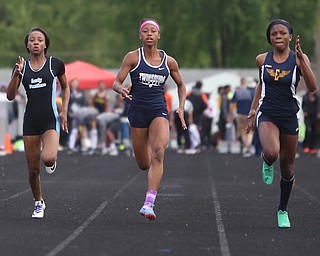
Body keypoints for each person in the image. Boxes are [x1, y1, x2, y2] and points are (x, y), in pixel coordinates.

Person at [112, 18, 187, 221]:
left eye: (153, 31)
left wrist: (180, 107)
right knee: (144, 164)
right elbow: (116, 82)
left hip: (158, 111)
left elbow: (181, 85)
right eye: (145, 31)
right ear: (140, 35)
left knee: (159, 153)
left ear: (159, 35)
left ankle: (149, 203)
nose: (149, 34)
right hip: (137, 112)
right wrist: (121, 90)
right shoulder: (132, 57)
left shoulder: (168, 61)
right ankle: (147, 167)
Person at [245, 19, 317, 228]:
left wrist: (302, 60)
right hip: (267, 113)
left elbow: (312, 87)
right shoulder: (262, 59)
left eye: (282, 33)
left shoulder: (298, 60)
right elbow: (262, 84)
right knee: (273, 151)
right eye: (274, 34)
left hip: (289, 116)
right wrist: (252, 111)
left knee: (287, 167)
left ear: (290, 36)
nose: (278, 36)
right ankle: (267, 160)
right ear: (269, 38)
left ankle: (282, 210)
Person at [6, 27, 70, 218]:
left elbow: (65, 87)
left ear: (45, 44)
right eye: (32, 40)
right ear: (27, 45)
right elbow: (10, 96)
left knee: (48, 158)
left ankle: (52, 161)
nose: (35, 42)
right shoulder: (21, 67)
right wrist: (16, 75)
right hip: (31, 121)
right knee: (33, 170)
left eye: (39, 40)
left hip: (50, 118)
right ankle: (38, 202)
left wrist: (64, 110)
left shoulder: (55, 64)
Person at [230, 77, 254, 157]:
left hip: (239, 114)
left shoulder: (237, 92)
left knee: (242, 131)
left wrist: (232, 113)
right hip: (249, 114)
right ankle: (248, 146)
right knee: (250, 132)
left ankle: (245, 147)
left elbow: (232, 104)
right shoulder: (250, 92)